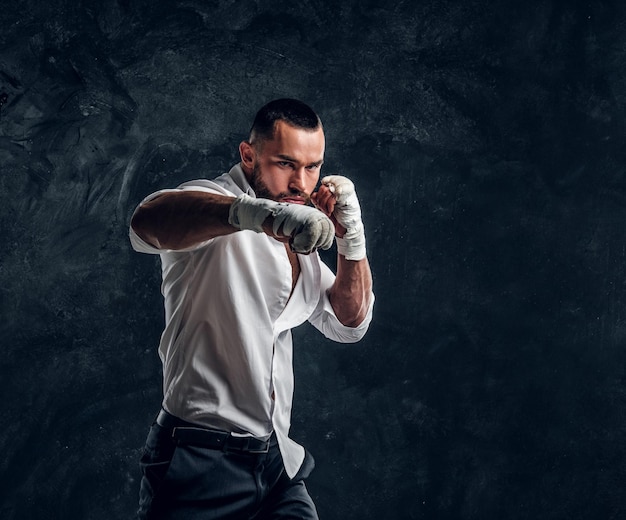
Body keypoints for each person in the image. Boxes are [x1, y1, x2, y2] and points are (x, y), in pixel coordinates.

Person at [129, 98, 374, 519]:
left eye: (313, 167)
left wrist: (352, 239)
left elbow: (349, 321)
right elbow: (147, 222)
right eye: (286, 164)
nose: (301, 181)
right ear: (249, 155)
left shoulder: (302, 228)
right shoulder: (213, 202)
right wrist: (257, 214)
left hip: (275, 463)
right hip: (199, 460)